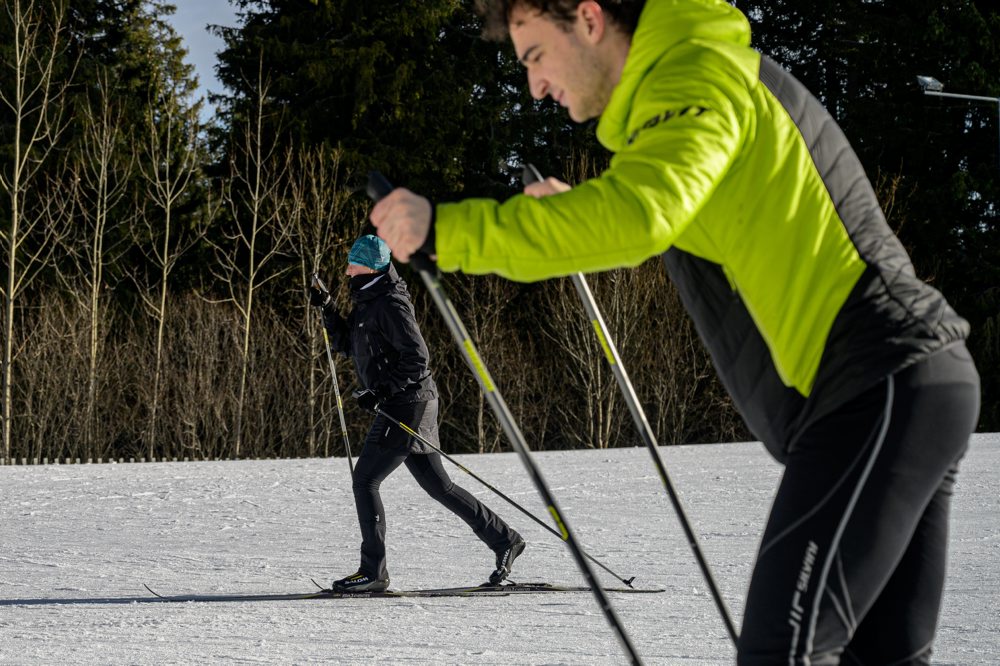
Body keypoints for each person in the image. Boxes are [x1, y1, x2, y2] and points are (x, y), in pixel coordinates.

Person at [368, 1, 981, 663]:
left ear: (590, 19)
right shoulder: (696, 82)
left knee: (784, 652)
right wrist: (576, 214)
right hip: (906, 385)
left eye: (536, 55)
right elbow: (681, 210)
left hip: (878, 382)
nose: (534, 86)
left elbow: (641, 216)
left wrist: (447, 232)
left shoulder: (696, 71)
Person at [310, 234, 525, 593]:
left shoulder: (391, 303)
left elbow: (417, 357)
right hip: (405, 401)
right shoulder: (367, 300)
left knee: (366, 480)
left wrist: (381, 391)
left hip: (408, 402)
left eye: (353, 263)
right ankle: (506, 540)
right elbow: (349, 344)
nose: (346, 270)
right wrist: (328, 308)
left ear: (370, 266)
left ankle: (373, 572)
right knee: (438, 487)